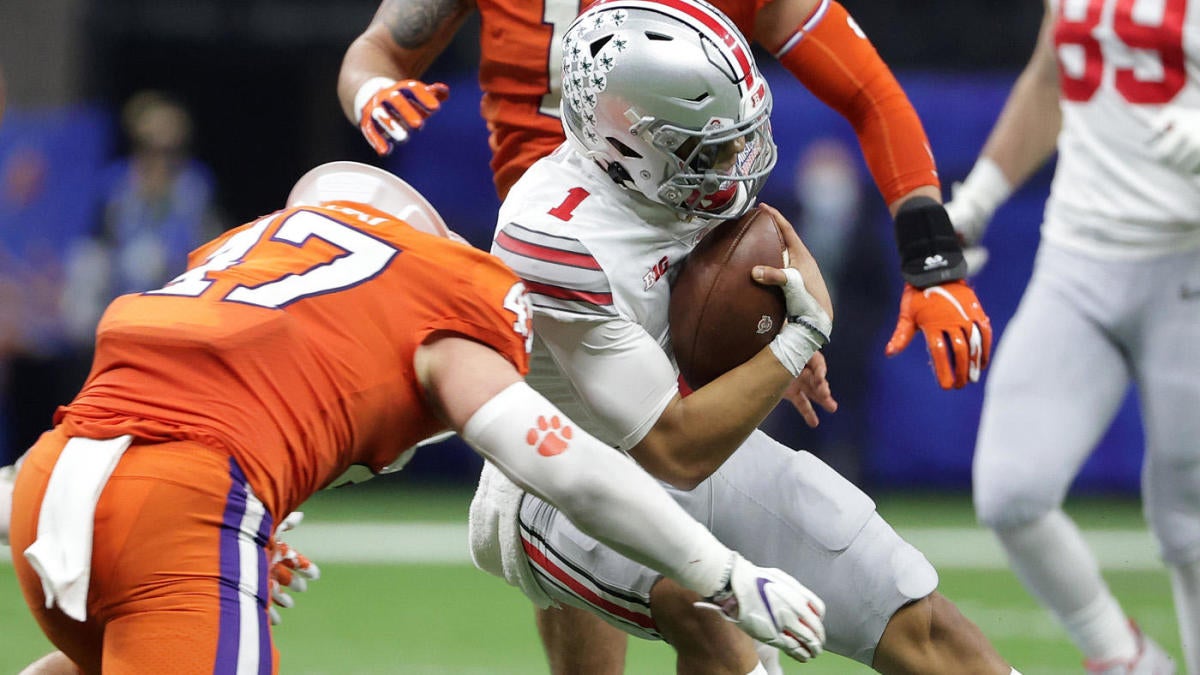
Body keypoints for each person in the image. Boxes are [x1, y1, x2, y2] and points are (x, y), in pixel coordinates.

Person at [8, 161, 829, 673]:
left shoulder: (238, 252)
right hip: (183, 507)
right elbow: (560, 462)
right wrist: (723, 570)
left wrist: (239, 524)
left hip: (54, 482)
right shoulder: (436, 282)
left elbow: (192, 405)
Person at [466, 2, 1015, 674]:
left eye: (738, 135)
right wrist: (802, 333)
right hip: (558, 481)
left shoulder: (673, 173)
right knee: (706, 606)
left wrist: (773, 329)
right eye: (710, 145)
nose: (735, 161)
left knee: (919, 621)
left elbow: (749, 247)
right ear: (631, 144)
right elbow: (674, 449)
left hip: (681, 445)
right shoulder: (554, 237)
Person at [336, 0, 993, 392]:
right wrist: (371, 88)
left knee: (627, 514)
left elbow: (868, 92)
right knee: (573, 526)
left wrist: (932, 261)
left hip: (683, 258)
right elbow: (375, 52)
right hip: (546, 262)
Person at [944, 0, 1199, 672]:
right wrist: (976, 203)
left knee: (1191, 521)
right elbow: (1052, 78)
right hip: (1077, 256)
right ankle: (1128, 659)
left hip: (1191, 262)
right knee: (1010, 489)